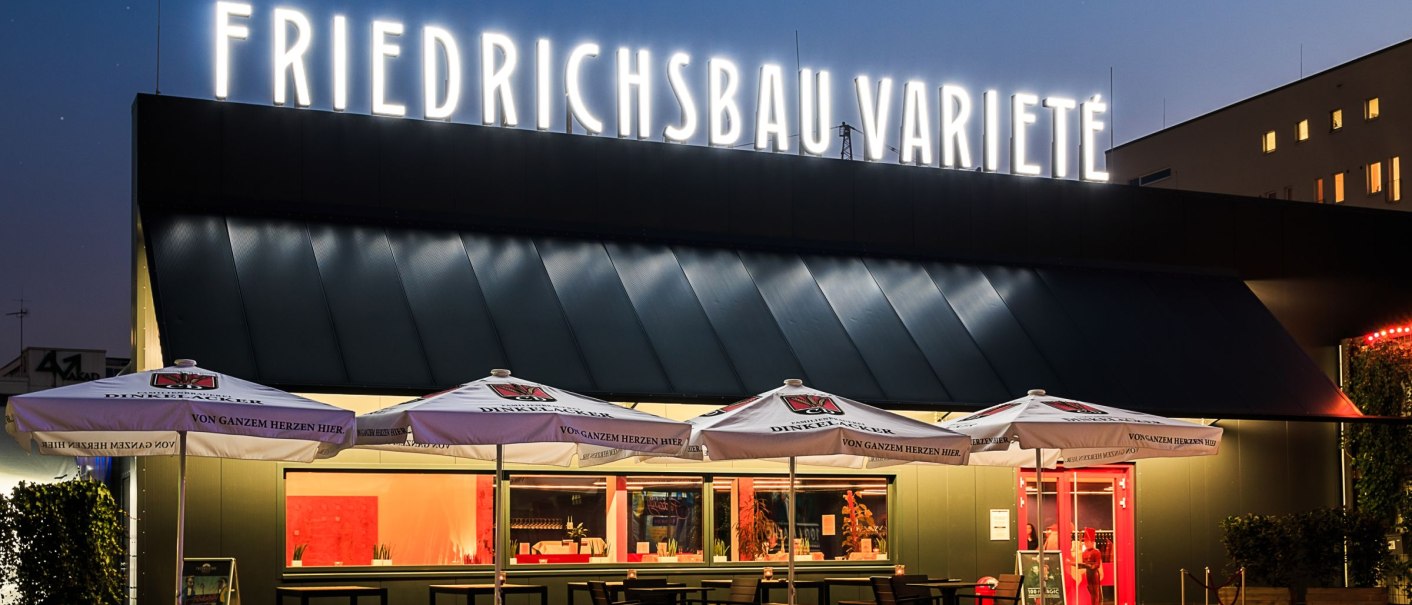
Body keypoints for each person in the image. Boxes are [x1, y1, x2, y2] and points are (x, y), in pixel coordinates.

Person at [1074, 527, 1103, 605]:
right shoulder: (1084, 552)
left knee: (1096, 592)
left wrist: (1091, 566)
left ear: (1093, 542)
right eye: (1085, 541)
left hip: (1094, 574)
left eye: (1087, 541)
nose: (1086, 543)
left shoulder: (1096, 552)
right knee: (1090, 590)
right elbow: (1084, 563)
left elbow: (1097, 564)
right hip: (1088, 573)